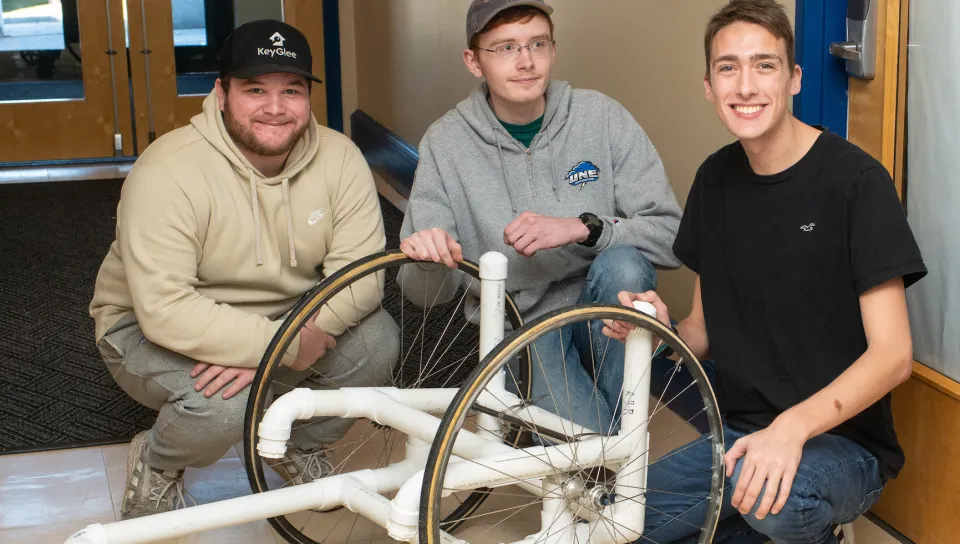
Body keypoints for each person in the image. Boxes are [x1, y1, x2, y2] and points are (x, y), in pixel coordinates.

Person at [603, 1, 927, 542]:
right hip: (739, 436)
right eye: (728, 68)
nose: (746, 85)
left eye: (765, 65)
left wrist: (791, 429)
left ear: (794, 78)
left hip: (842, 444)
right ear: (709, 86)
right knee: (620, 519)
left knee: (774, 502)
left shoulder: (856, 183)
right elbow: (702, 332)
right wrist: (660, 331)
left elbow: (894, 357)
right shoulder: (714, 181)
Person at [89, 19, 398, 519]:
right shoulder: (167, 170)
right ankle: (159, 460)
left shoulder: (340, 158)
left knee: (378, 341)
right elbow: (164, 309)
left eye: (291, 90)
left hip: (291, 317)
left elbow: (360, 280)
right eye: (255, 89)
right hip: (146, 328)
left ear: (308, 97)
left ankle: (293, 443)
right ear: (221, 93)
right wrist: (279, 348)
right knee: (228, 405)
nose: (275, 108)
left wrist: (269, 346)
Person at [397, 0, 685, 434]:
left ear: (553, 49)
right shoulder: (445, 143)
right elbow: (425, 297)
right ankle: (605, 439)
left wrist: (584, 228)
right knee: (591, 446)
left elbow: (671, 236)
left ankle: (603, 437)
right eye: (506, 48)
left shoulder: (602, 117)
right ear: (473, 62)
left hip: (603, 305)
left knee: (624, 263)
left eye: (537, 44)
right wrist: (427, 260)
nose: (526, 61)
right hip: (523, 323)